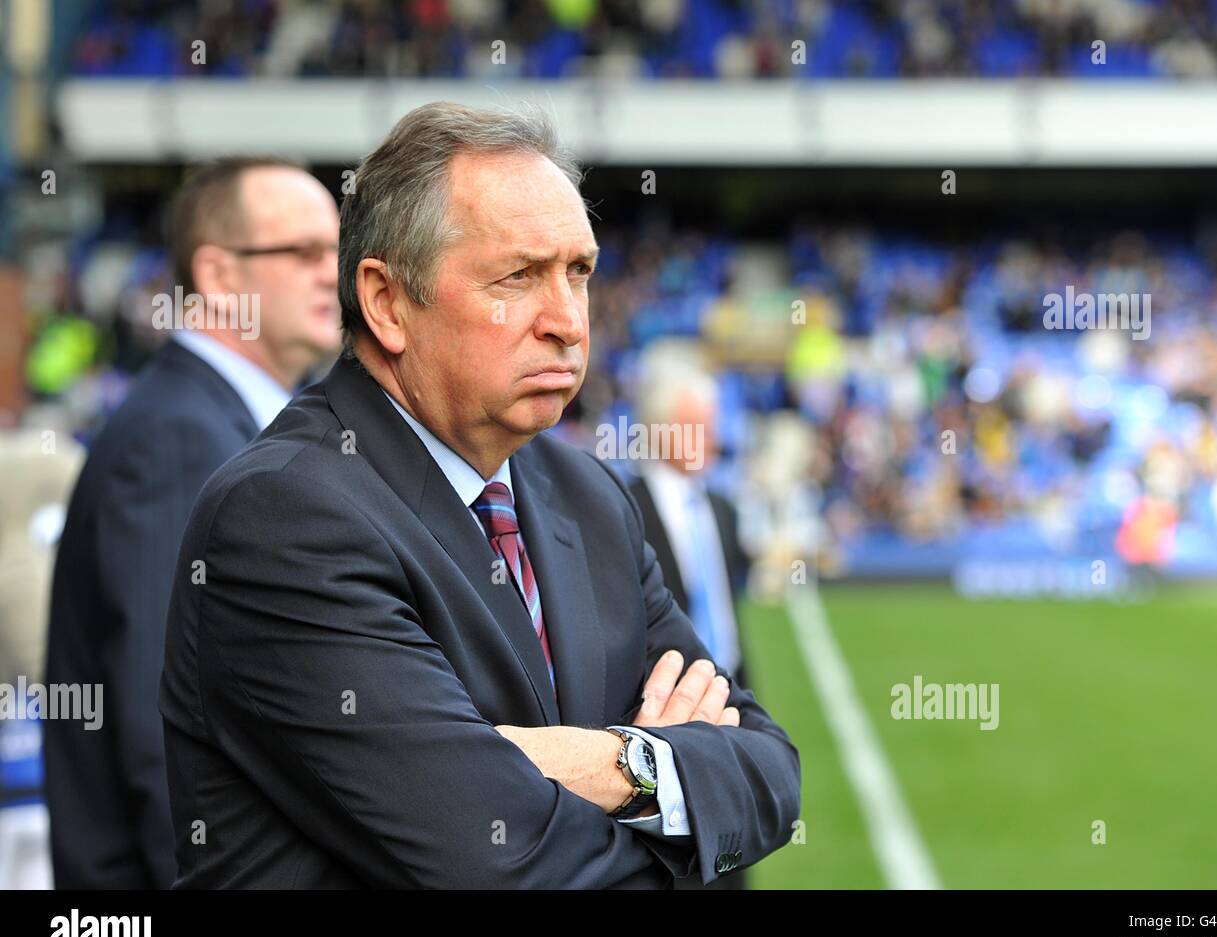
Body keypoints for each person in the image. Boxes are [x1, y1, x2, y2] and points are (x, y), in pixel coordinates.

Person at [160, 101, 801, 889]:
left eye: (580, 272)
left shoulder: (587, 494)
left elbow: (768, 770)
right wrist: (654, 773)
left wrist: (544, 762)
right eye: (519, 275)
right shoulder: (283, 516)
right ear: (388, 302)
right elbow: (491, 862)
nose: (568, 321)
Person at [43, 157, 341, 888]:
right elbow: (164, 723)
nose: (335, 274)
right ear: (217, 276)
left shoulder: (217, 421)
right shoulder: (179, 439)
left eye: (338, 249)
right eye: (303, 252)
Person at [626, 358, 755, 890]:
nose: (714, 437)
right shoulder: (622, 507)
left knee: (732, 857)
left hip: (729, 704)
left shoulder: (721, 507)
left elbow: (729, 606)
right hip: (667, 717)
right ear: (662, 429)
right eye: (699, 425)